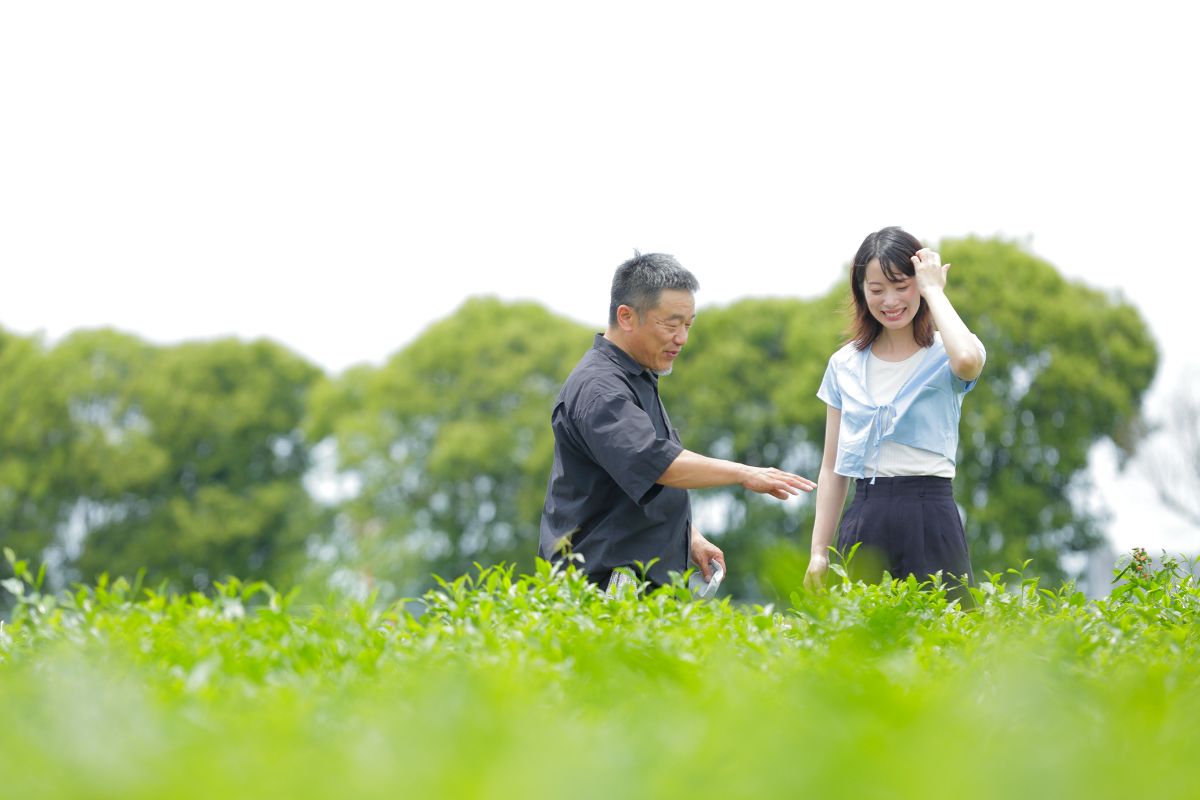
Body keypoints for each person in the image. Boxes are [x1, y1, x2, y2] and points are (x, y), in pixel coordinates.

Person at [540, 251, 817, 595]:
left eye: (688, 325)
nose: (682, 338)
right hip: (599, 587)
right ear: (626, 317)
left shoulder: (639, 376)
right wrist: (746, 473)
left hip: (640, 583)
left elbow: (633, 487)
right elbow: (655, 464)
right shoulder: (600, 389)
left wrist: (689, 536)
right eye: (671, 325)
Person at [804, 227, 985, 603]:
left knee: (947, 647)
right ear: (861, 292)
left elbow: (968, 362)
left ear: (918, 283)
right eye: (876, 289)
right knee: (864, 655)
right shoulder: (844, 364)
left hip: (931, 514)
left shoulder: (946, 352)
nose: (890, 300)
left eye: (902, 285)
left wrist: (934, 289)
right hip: (865, 517)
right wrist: (819, 550)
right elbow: (832, 466)